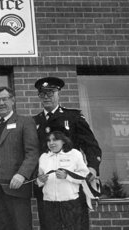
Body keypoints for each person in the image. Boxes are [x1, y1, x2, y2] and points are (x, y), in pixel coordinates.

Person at [33, 77, 102, 229]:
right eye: (42, 94)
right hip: (49, 188)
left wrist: (92, 168)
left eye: (50, 92)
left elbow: (91, 146)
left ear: (58, 93)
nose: (46, 97)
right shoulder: (34, 122)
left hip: (72, 186)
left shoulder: (73, 117)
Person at [0, 87, 39, 230]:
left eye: (5, 99)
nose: (1, 103)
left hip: (17, 188)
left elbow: (32, 152)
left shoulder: (25, 122)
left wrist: (22, 174)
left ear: (13, 100)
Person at [37, 131, 90, 230]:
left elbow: (84, 176)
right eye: (49, 140)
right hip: (49, 203)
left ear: (63, 141)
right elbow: (38, 181)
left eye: (55, 139)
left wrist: (67, 176)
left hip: (70, 202)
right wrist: (41, 180)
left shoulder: (74, 154)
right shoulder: (44, 157)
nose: (51, 143)